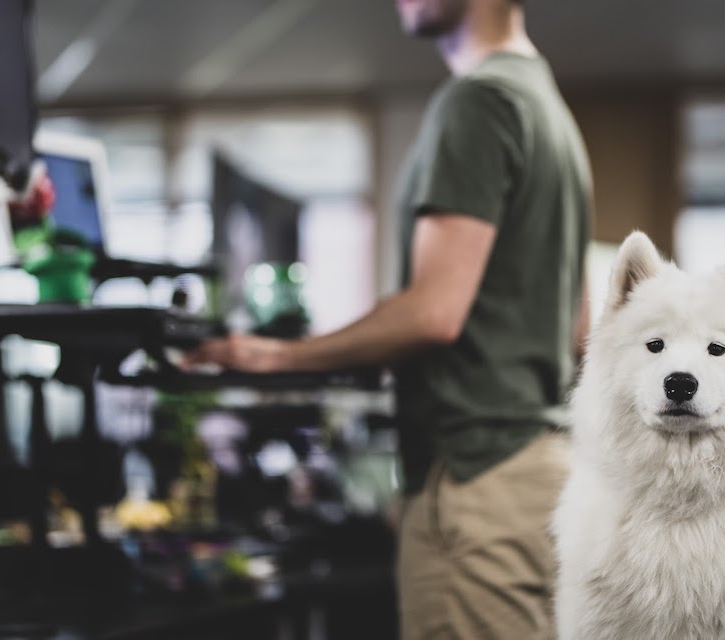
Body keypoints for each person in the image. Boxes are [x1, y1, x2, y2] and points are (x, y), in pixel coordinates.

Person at [187, 0, 592, 636]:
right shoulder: (547, 109)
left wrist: (272, 356)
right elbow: (578, 326)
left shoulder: (478, 101)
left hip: (477, 478)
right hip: (534, 472)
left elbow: (434, 313)